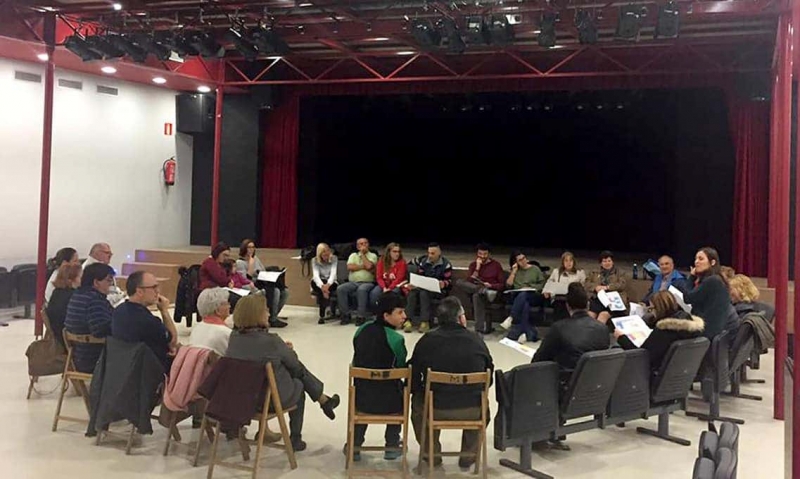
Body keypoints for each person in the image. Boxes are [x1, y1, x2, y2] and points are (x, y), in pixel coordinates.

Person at [226, 294, 341, 451]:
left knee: (283, 366)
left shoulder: (233, 338)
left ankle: (323, 400)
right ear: (256, 314)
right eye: (266, 310)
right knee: (298, 382)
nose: (268, 313)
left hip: (242, 399)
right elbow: (295, 366)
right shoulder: (272, 341)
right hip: (268, 400)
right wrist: (287, 351)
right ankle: (296, 438)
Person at [409, 297, 494, 470]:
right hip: (472, 409)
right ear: (461, 318)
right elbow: (489, 376)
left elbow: (413, 374)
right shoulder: (477, 341)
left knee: (418, 406)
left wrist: (419, 391)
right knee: (483, 404)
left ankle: (431, 454)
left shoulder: (427, 340)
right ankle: (468, 456)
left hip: (435, 407)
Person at [348, 292, 408, 462]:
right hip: (390, 404)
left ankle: (355, 445)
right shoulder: (396, 339)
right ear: (386, 315)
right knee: (398, 388)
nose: (404, 316)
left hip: (362, 400)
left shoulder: (361, 331)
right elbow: (402, 368)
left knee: (364, 386)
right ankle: (391, 445)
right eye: (400, 312)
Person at [532, 283, 609, 382]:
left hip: (566, 383)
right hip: (595, 382)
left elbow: (539, 359)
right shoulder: (603, 328)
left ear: (567, 306)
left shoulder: (558, 328)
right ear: (588, 305)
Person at [615, 291, 704, 370]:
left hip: (654, 373)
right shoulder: (691, 327)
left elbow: (642, 356)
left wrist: (622, 338)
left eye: (651, 309)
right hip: (678, 372)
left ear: (659, 308)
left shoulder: (664, 331)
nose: (651, 312)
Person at [112, 271, 178, 372]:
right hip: (149, 372)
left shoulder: (118, 311)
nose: (158, 291)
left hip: (123, 369)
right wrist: (164, 311)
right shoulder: (147, 321)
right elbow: (172, 340)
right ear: (139, 291)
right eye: (154, 287)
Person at [64, 263, 116, 373]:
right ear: (96, 282)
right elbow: (100, 330)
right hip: (94, 360)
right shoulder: (94, 300)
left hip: (78, 356)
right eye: (108, 280)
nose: (111, 284)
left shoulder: (77, 295)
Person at [684, 247, 737, 340]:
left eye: (701, 259)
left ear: (712, 262)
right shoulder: (718, 279)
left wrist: (691, 277)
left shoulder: (712, 281)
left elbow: (687, 298)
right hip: (713, 330)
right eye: (695, 259)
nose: (696, 262)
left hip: (706, 331)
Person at [454, 243, 506, 334]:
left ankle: (478, 330)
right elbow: (469, 281)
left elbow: (502, 284)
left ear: (489, 254)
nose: (482, 256)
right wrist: (477, 268)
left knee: (476, 295)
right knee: (460, 283)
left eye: (485, 254)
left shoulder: (496, 265)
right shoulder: (473, 265)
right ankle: (479, 330)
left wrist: (491, 286)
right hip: (478, 288)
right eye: (480, 254)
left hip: (491, 292)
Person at [238, 239, 290, 326]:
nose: (251, 249)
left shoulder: (256, 258)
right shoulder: (240, 263)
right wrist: (250, 265)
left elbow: (263, 270)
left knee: (285, 292)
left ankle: (272, 315)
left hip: (262, 281)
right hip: (252, 285)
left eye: (253, 247)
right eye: (249, 247)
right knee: (275, 292)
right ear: (244, 248)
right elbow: (245, 280)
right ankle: (272, 319)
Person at [403, 243, 453, 334]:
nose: (430, 256)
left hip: (438, 290)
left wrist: (444, 283)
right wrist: (414, 284)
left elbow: (449, 281)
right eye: (429, 253)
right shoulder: (423, 261)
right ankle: (408, 320)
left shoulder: (446, 265)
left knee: (424, 294)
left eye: (433, 253)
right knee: (412, 293)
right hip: (423, 286)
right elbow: (420, 275)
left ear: (439, 253)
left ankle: (425, 321)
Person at [500, 250, 546, 343]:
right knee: (525, 304)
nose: (523, 261)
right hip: (519, 297)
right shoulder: (516, 271)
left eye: (524, 258)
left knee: (524, 295)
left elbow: (542, 284)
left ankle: (512, 317)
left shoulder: (535, 269)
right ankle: (527, 334)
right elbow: (508, 285)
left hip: (534, 295)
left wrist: (531, 287)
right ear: (516, 263)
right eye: (520, 260)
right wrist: (513, 272)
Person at [336, 238, 378, 326]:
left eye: (365, 243)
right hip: (353, 282)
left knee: (361, 289)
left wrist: (362, 255)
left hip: (367, 282)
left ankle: (361, 316)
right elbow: (350, 267)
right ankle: (345, 315)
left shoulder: (373, 255)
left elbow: (369, 266)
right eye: (361, 244)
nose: (363, 246)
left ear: (368, 245)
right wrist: (363, 266)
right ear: (357, 246)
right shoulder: (353, 255)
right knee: (341, 289)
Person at [585, 250, 629, 327]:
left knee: (602, 315)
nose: (607, 263)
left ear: (613, 262)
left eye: (609, 261)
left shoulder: (620, 273)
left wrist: (607, 287)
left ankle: (598, 336)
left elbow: (622, 285)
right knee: (590, 315)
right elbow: (587, 283)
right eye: (604, 261)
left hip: (614, 302)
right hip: (598, 300)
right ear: (601, 263)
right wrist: (596, 287)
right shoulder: (594, 272)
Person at [46, 263, 82, 348]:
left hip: (58, 337)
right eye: (80, 277)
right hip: (69, 341)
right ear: (70, 280)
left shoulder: (56, 293)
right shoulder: (73, 297)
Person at [190, 287, 233, 356]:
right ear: (218, 310)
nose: (229, 306)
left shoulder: (196, 328)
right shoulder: (226, 333)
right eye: (227, 303)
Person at [370, 243, 408, 311]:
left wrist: (389, 289)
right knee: (374, 293)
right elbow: (379, 277)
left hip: (396, 286)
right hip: (383, 285)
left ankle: (389, 313)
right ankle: (376, 312)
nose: (397, 254)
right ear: (389, 252)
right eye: (394, 251)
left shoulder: (402, 262)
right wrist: (384, 287)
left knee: (392, 294)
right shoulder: (382, 261)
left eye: (398, 252)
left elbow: (399, 279)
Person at [311, 243, 339, 324]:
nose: (326, 253)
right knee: (318, 288)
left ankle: (321, 316)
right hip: (318, 282)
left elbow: (333, 274)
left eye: (328, 250)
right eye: (324, 252)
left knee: (321, 292)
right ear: (319, 253)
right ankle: (323, 314)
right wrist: (323, 287)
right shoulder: (314, 260)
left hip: (331, 282)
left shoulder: (334, 258)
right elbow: (316, 276)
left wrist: (327, 286)